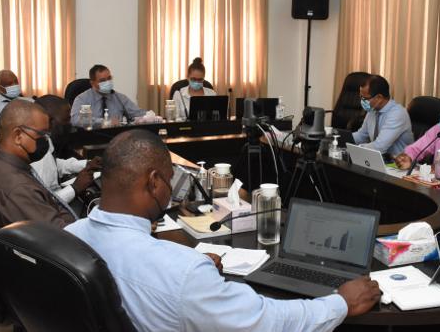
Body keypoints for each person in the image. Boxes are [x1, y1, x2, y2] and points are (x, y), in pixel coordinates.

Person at [66, 130, 381, 332]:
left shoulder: (70, 235)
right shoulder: (183, 272)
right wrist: (341, 303)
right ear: (154, 182)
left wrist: (193, 273)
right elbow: (265, 322)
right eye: (170, 179)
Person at [0, 99, 76, 228]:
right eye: (42, 134)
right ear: (18, 136)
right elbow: (61, 234)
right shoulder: (19, 188)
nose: (46, 140)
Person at [32, 95, 100, 206]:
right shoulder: (36, 155)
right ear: (49, 121)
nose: (70, 124)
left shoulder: (45, 138)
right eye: (66, 120)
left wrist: (86, 164)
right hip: (54, 208)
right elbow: (43, 205)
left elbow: (54, 165)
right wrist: (75, 187)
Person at [352, 75, 413, 157]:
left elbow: (379, 147)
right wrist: (340, 138)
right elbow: (362, 135)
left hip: (397, 161)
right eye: (360, 97)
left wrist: (355, 149)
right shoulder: (372, 110)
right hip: (378, 158)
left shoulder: (398, 114)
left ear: (379, 97)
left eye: (365, 98)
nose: (362, 101)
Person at [70, 64, 146, 127]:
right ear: (92, 83)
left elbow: (138, 114)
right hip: (92, 136)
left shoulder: (119, 98)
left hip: (116, 137)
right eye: (102, 80)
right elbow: (75, 119)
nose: (107, 82)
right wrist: (104, 122)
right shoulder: (83, 99)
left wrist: (149, 117)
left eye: (109, 78)